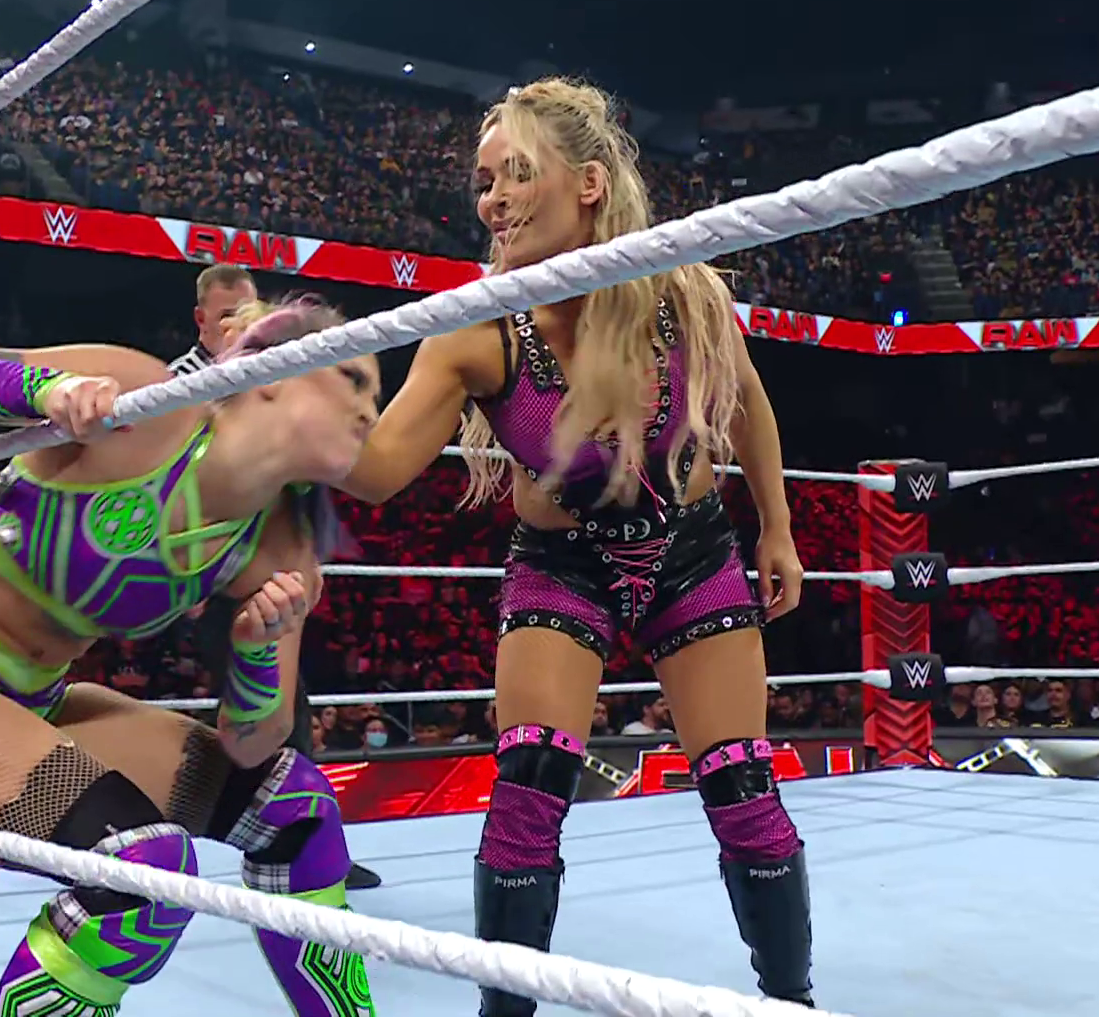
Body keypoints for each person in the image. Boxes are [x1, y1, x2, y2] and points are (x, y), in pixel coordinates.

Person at [340, 77, 813, 1011]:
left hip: (692, 552)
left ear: (589, 183)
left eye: (517, 173)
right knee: (527, 789)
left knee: (743, 789)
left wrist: (780, 526)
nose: (494, 200)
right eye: (484, 183)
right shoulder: (476, 328)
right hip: (563, 568)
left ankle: (791, 1001)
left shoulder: (683, 288)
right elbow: (378, 471)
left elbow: (748, 399)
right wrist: (289, 399)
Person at [0, 297, 382, 1017]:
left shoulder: (280, 548)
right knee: (143, 870)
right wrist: (46, 392)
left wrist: (257, 650)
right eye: (354, 380)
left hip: (30, 707)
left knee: (294, 805)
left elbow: (254, 743)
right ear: (273, 373)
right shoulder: (147, 401)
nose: (370, 412)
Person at [168, 263, 384, 892]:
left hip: (260, 559)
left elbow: (298, 485)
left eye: (251, 310)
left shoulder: (291, 391)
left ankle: (303, 842)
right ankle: (286, 838)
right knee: (253, 708)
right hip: (201, 572)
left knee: (286, 705)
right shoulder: (179, 386)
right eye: (229, 315)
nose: (242, 321)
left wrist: (304, 558)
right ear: (202, 321)